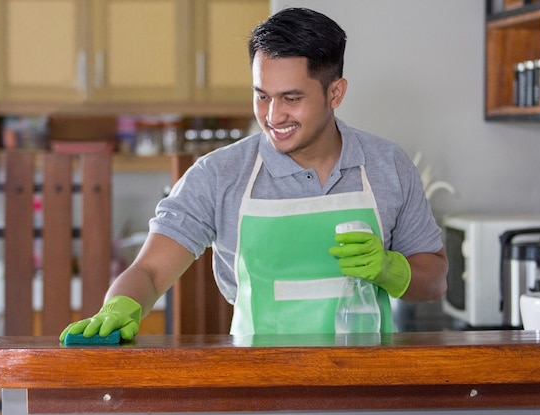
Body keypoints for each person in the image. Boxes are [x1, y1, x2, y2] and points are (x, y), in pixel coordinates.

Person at [60, 7, 448, 340]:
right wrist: (120, 307)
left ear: (335, 93)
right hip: (257, 390)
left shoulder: (387, 164)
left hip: (366, 391)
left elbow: (434, 281)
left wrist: (390, 269)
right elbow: (148, 270)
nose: (273, 116)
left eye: (291, 99)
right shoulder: (219, 175)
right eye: (262, 95)